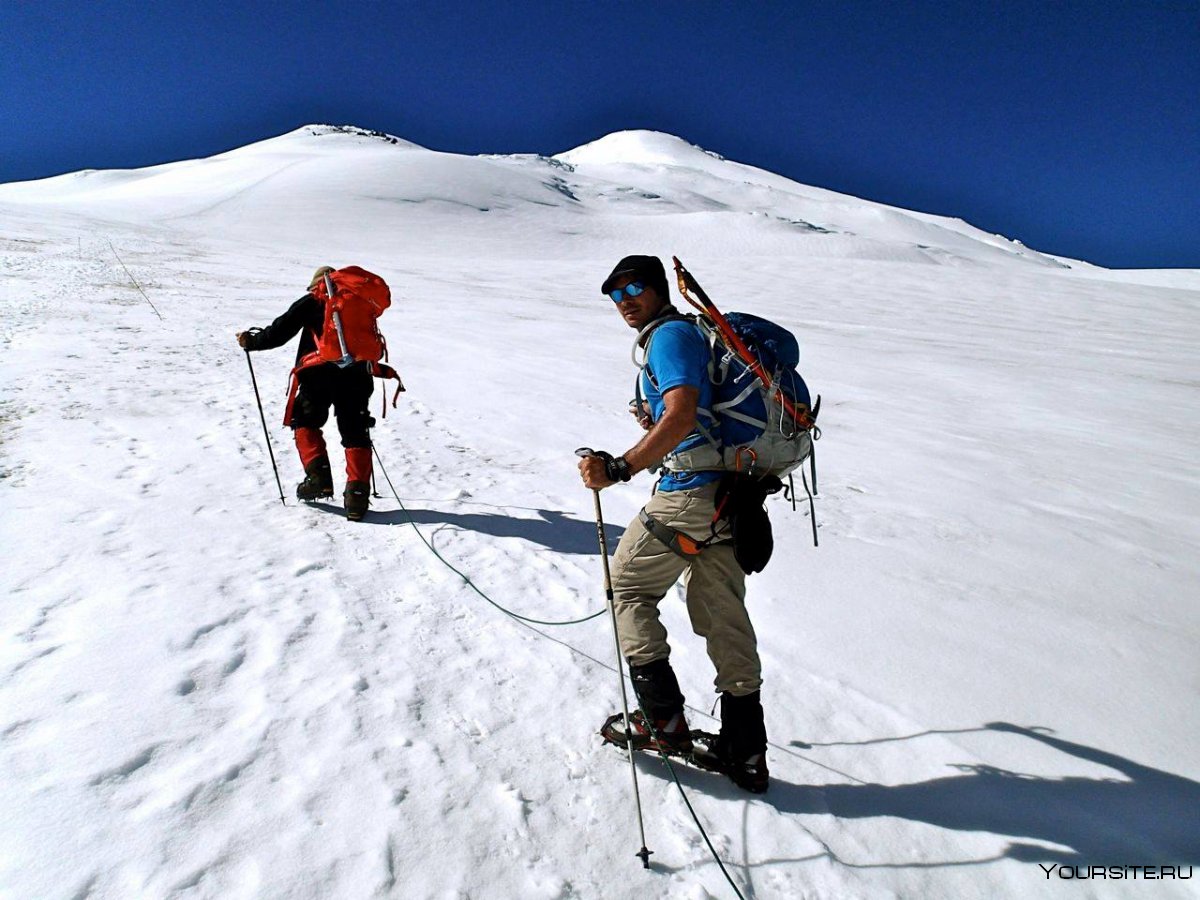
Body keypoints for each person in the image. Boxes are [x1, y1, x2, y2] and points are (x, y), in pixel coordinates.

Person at [579, 255, 769, 793]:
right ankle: (746, 749)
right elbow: (686, 415)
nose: (625, 301)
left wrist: (620, 467)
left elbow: (682, 415)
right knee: (723, 617)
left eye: (634, 288)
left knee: (628, 591)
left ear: (660, 288)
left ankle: (663, 723)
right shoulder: (690, 338)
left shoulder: (670, 336)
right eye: (615, 295)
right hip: (730, 500)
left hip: (688, 496)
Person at [237, 266, 374, 520]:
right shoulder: (358, 304)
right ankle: (357, 497)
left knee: (306, 421)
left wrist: (251, 342)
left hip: (317, 374)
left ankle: (318, 478)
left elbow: (279, 332)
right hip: (356, 376)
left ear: (316, 285)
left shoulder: (313, 300)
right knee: (355, 430)